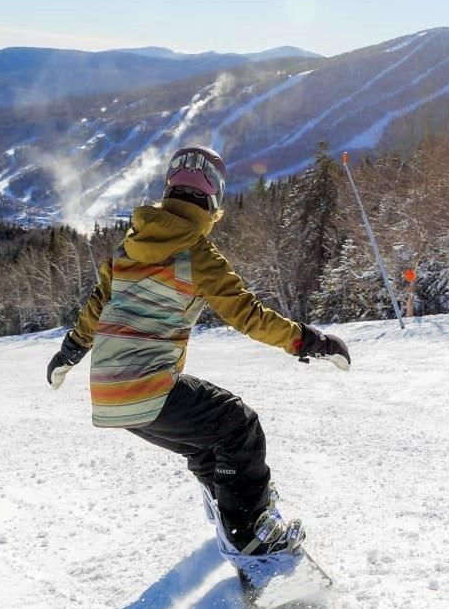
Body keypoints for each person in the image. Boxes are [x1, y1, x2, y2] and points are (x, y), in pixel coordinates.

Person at [46, 144, 350, 571]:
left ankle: (231, 511)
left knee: (208, 447)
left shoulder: (127, 249)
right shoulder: (197, 255)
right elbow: (247, 315)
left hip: (110, 392)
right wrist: (306, 340)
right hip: (147, 386)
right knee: (238, 425)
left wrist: (70, 351)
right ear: (214, 200)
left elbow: (98, 304)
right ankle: (251, 537)